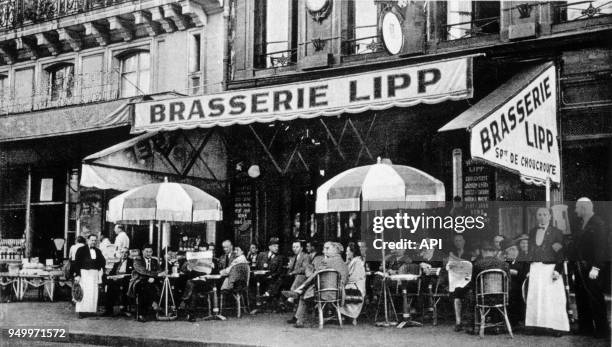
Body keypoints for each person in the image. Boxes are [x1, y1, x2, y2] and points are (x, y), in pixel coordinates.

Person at [283, 242, 348, 328]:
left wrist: (304, 284)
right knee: (305, 285)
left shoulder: (327, 261)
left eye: (327, 248)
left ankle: (298, 296)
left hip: (324, 293)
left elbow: (316, 274)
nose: (324, 251)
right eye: (324, 248)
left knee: (304, 293)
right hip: (338, 293)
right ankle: (298, 295)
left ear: (335, 250)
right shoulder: (342, 263)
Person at [525, 207, 569, 334]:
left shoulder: (557, 232)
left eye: (545, 214)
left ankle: (557, 327)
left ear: (550, 216)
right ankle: (538, 326)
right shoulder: (532, 231)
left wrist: (557, 270)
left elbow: (560, 253)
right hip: (536, 268)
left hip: (550, 268)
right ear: (536, 216)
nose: (542, 217)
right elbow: (531, 252)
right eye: (539, 214)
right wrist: (529, 267)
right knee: (536, 297)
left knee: (553, 298)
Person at [572, 198, 610, 338]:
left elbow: (601, 249)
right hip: (580, 267)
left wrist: (596, 268)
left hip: (592, 268)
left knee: (596, 299)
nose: (575, 210)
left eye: (577, 208)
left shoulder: (598, 224)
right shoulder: (581, 223)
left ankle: (602, 331)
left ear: (584, 208)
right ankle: (585, 328)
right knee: (581, 297)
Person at [73, 234, 106, 318]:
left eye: (95, 240)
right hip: (84, 274)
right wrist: (77, 274)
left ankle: (90, 311)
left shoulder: (98, 251)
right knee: (83, 292)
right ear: (88, 240)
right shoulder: (81, 250)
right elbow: (76, 263)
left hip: (94, 274)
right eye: (92, 240)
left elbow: (102, 262)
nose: (93, 242)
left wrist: (100, 268)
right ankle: (80, 312)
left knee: (93, 293)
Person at [129, 244, 162, 322]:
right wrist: (154, 275)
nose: (148, 253)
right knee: (143, 287)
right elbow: (142, 271)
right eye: (146, 251)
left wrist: (153, 277)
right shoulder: (137, 260)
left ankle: (157, 307)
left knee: (163, 285)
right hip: (139, 281)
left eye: (150, 251)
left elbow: (160, 270)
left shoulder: (154, 261)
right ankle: (142, 313)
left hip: (153, 281)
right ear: (142, 251)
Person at [502, 239, 528, 328]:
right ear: (505, 252)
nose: (514, 252)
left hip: (519, 286)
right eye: (511, 249)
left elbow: (525, 275)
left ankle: (515, 321)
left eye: (516, 249)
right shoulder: (503, 262)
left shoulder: (522, 262)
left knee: (513, 290)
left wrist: (516, 273)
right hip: (504, 285)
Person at [340, 242, 366, 325]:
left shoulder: (357, 262)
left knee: (341, 290)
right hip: (351, 283)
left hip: (357, 285)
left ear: (353, 252)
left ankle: (350, 316)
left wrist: (343, 281)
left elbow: (354, 277)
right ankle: (345, 315)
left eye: (348, 251)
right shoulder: (352, 261)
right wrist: (347, 262)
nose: (346, 253)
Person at [105, 247, 134, 316]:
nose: (124, 254)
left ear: (128, 254)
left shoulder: (132, 262)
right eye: (122, 252)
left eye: (126, 252)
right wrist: (112, 277)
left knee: (124, 286)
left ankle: (124, 308)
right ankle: (109, 310)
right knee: (109, 286)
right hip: (116, 281)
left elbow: (132, 274)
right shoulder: (117, 263)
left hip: (126, 280)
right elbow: (111, 273)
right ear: (120, 253)